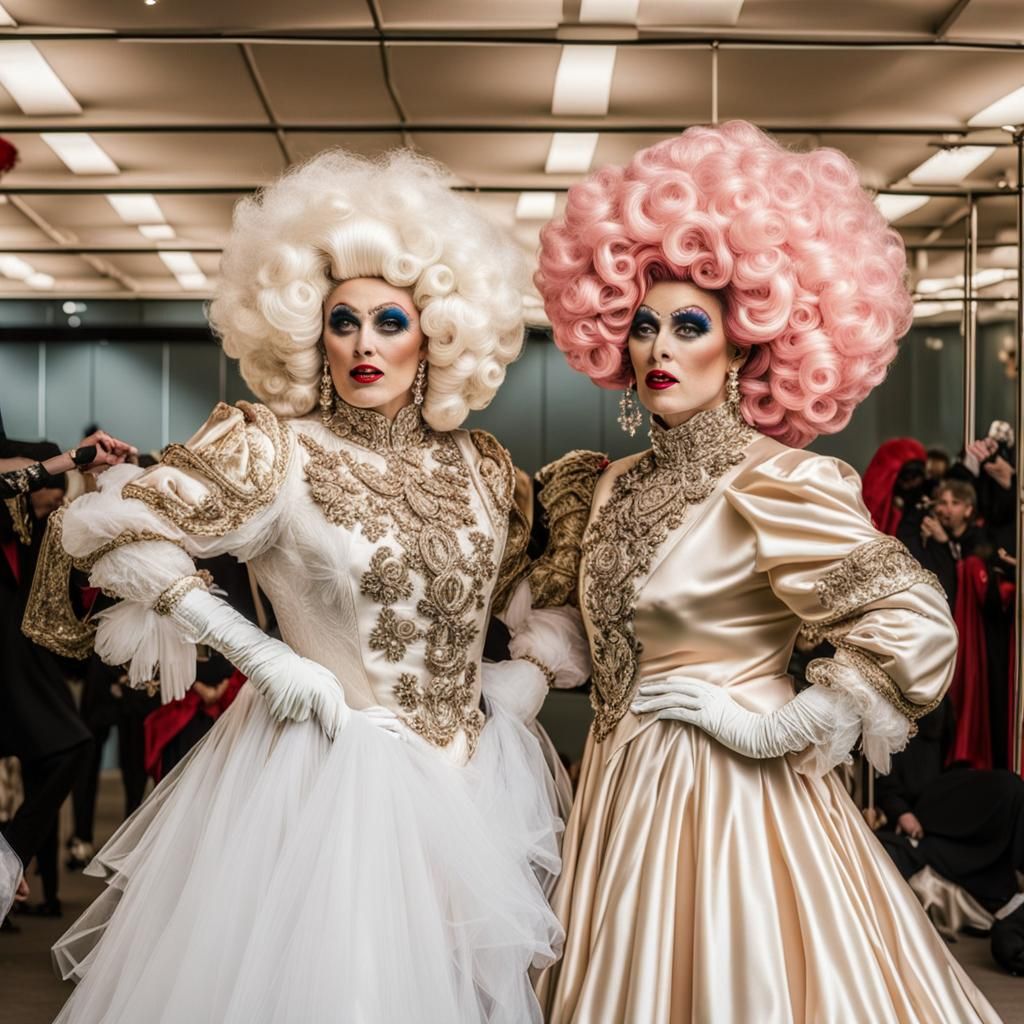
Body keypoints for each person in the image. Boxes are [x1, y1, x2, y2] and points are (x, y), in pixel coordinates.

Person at [39, 149, 588, 1024]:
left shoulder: (488, 471)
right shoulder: (273, 450)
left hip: (478, 793)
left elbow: (538, 586)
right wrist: (259, 656)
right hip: (327, 782)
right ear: (310, 331)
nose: (365, 344)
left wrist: (528, 675)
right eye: (344, 320)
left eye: (390, 320)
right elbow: (111, 529)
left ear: (436, 331)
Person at [532, 121, 999, 1022]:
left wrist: (779, 726)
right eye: (642, 325)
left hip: (731, 802)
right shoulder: (603, 488)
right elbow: (595, 643)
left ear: (747, 345)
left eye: (691, 326)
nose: (660, 348)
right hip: (617, 793)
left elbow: (914, 618)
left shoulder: (777, 482)